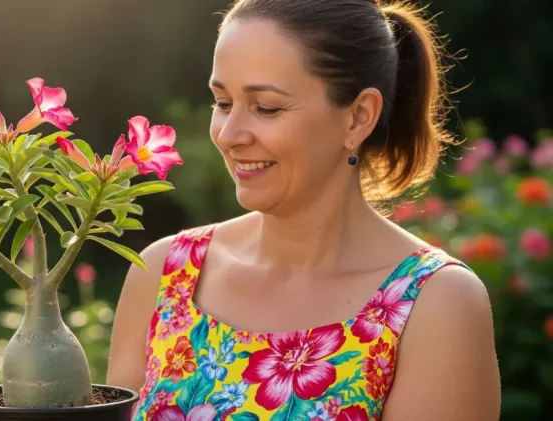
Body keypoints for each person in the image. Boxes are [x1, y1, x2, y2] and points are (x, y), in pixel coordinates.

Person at [107, 0, 501, 420]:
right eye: (222, 103)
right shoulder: (163, 274)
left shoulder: (435, 304)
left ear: (358, 118)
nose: (229, 134)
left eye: (267, 108)